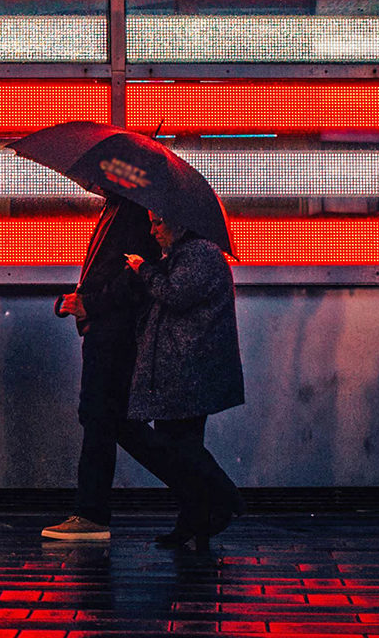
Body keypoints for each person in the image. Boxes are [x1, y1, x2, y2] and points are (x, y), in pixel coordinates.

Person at [116, 211, 246, 551]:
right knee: (179, 445)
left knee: (180, 446)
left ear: (181, 221)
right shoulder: (182, 255)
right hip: (180, 368)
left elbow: (176, 295)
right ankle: (194, 519)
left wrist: (143, 269)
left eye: (159, 221)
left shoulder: (200, 253)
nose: (153, 229)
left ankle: (223, 497)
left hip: (190, 368)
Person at [42, 195, 160, 542]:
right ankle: (209, 492)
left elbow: (137, 278)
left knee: (101, 418)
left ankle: (92, 513)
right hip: (106, 332)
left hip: (113, 336)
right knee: (115, 423)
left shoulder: (134, 212)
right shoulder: (121, 209)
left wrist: (89, 304)